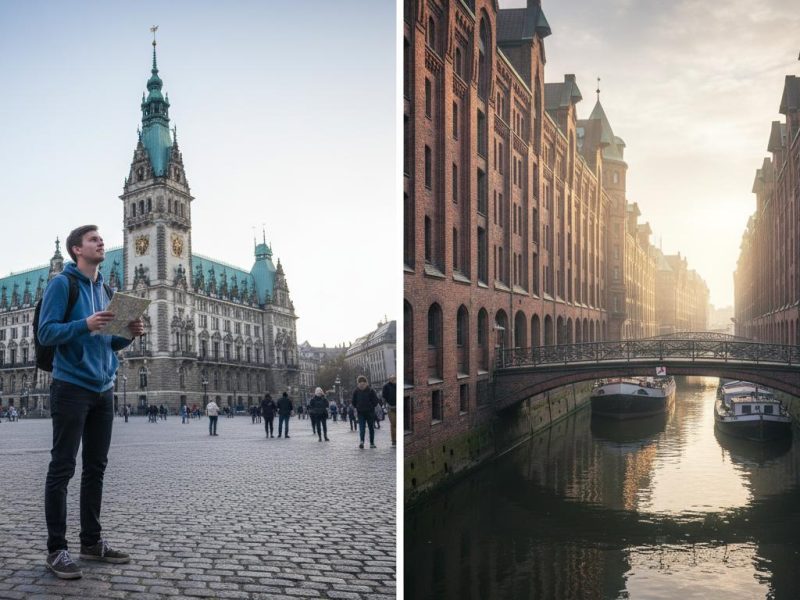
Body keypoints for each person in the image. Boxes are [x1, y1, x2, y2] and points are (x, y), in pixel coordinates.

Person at [39, 225, 144, 579]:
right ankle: (57, 550)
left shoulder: (106, 288)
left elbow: (108, 342)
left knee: (95, 468)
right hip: (71, 386)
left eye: (101, 239)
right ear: (76, 250)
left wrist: (129, 335)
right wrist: (84, 323)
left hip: (104, 388)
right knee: (62, 468)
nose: (101, 243)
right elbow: (46, 332)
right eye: (93, 240)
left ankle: (91, 542)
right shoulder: (61, 284)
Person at [351, 375, 378, 449]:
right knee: (371, 428)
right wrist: (372, 406)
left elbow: (353, 402)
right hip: (369, 412)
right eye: (361, 382)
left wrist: (357, 406)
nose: (362, 384)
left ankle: (362, 441)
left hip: (362, 412)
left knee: (362, 427)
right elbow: (376, 401)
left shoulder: (356, 390)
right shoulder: (370, 390)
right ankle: (371, 443)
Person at [382, 375, 396, 446]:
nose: (394, 379)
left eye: (395, 378)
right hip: (391, 408)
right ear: (389, 379)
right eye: (392, 378)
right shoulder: (386, 386)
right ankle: (394, 440)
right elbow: (384, 397)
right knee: (393, 424)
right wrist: (385, 406)